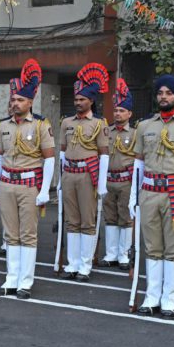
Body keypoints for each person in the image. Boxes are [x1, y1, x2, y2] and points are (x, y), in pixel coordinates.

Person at [128, 74, 174, 318]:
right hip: (149, 191)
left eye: (168, 93)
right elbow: (138, 165)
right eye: (160, 93)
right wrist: (133, 197)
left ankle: (170, 299)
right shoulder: (144, 126)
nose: (163, 97)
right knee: (152, 247)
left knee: (173, 249)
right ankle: (152, 297)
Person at [0, 59, 55, 299]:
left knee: (28, 233)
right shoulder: (2, 126)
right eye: (13, 99)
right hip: (7, 183)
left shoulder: (41, 124)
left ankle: (25, 282)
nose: (15, 103)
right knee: (10, 233)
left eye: (20, 100)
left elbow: (49, 158)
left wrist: (45, 190)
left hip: (30, 184)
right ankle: (12, 277)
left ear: (30, 102)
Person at [58, 63, 110, 282]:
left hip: (89, 174)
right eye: (76, 98)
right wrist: (59, 180)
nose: (78, 102)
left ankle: (85, 265)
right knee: (72, 220)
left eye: (82, 99)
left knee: (87, 220)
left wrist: (102, 184)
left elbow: (104, 154)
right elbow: (62, 151)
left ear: (91, 101)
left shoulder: (99, 123)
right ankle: (73, 263)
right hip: (69, 173)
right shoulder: (66, 122)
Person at [99, 80, 136, 269]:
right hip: (108, 179)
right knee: (110, 217)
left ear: (129, 113)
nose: (118, 114)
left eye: (122, 111)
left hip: (126, 181)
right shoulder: (107, 131)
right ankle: (111, 253)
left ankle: (124, 254)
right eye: (116, 111)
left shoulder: (135, 133)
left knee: (126, 218)